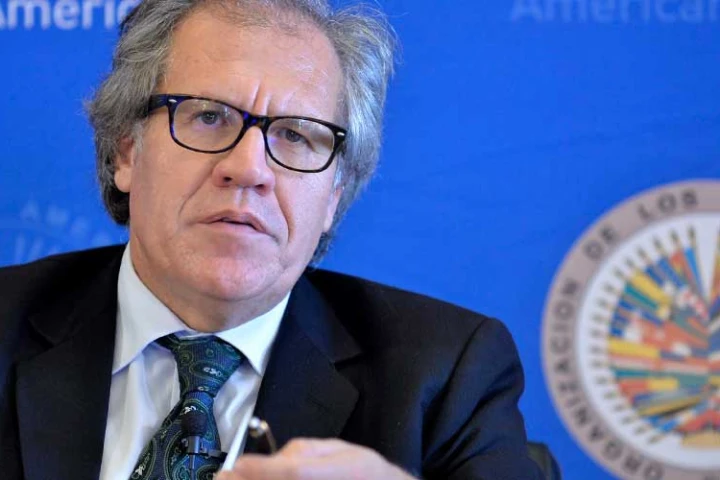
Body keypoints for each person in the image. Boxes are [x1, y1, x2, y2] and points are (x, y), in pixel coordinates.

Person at [0, 0, 544, 479]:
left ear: (333, 195)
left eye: (295, 135)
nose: (248, 168)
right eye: (208, 116)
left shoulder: (445, 379)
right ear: (126, 151)